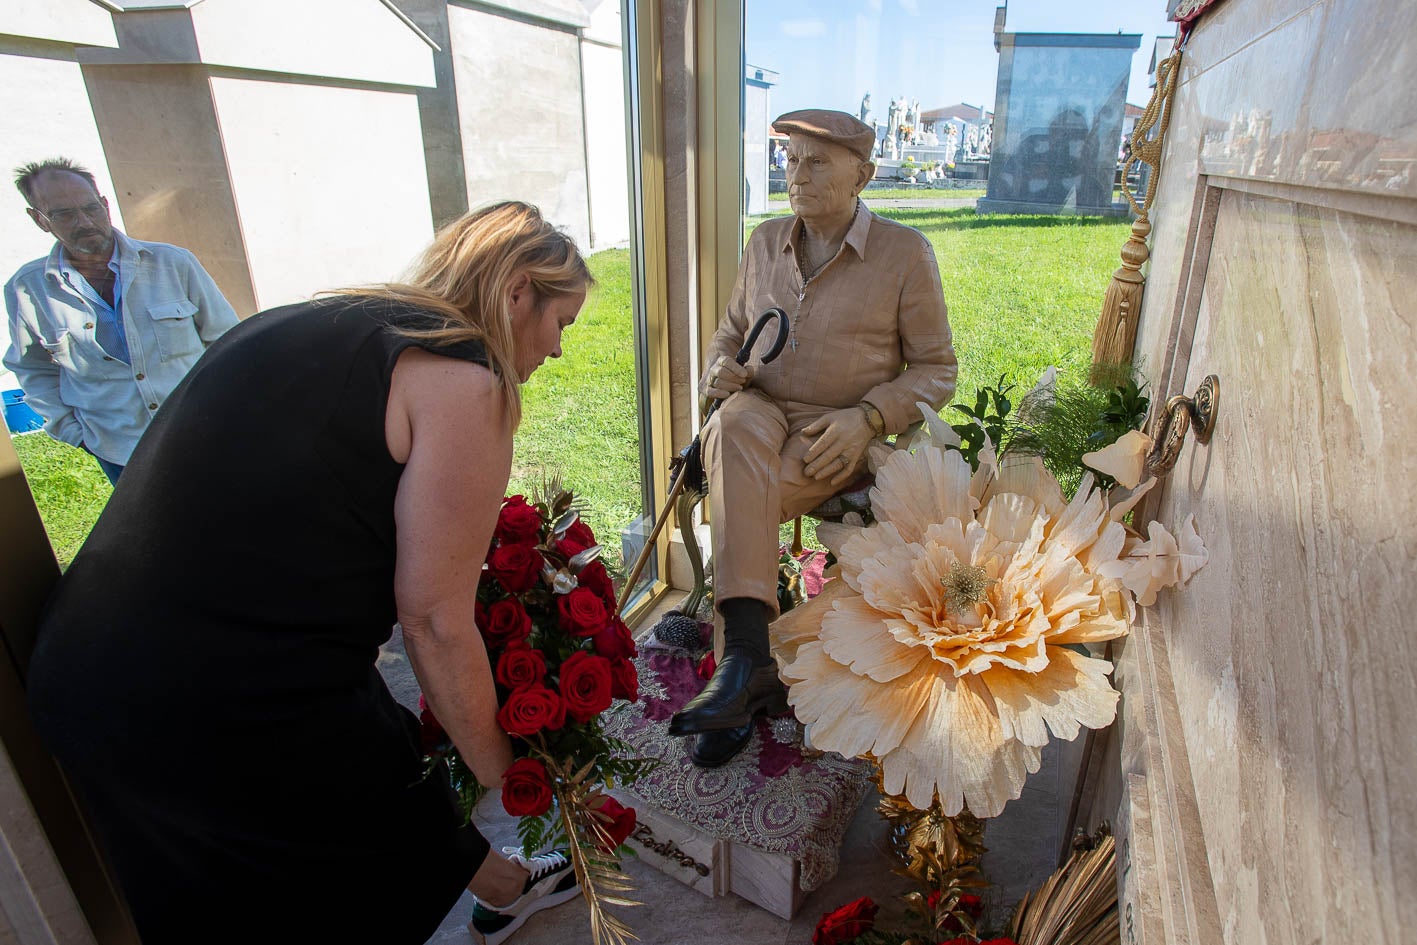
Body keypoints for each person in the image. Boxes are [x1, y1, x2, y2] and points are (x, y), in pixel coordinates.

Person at [25, 202, 592, 945]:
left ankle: (504, 882)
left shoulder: (309, 315)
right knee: (352, 843)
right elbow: (431, 619)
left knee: (217, 896)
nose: (555, 351)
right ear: (518, 292)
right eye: (563, 324)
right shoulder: (464, 382)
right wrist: (503, 770)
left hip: (81, 671)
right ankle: (501, 876)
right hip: (218, 704)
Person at [666, 109, 957, 767]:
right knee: (734, 421)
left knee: (738, 488)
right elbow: (731, 328)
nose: (797, 174)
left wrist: (871, 418)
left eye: (816, 161)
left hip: (835, 429)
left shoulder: (905, 254)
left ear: (865, 175)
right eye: (791, 160)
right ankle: (746, 660)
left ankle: (736, 671)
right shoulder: (764, 240)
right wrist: (722, 365)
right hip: (760, 407)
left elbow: (939, 368)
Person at [4, 157, 238, 483]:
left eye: (91, 208)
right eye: (64, 214)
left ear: (105, 204)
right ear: (39, 219)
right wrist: (72, 431)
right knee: (159, 533)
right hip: (118, 450)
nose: (84, 221)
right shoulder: (27, 289)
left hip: (201, 431)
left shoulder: (171, 263)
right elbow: (33, 368)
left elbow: (228, 340)